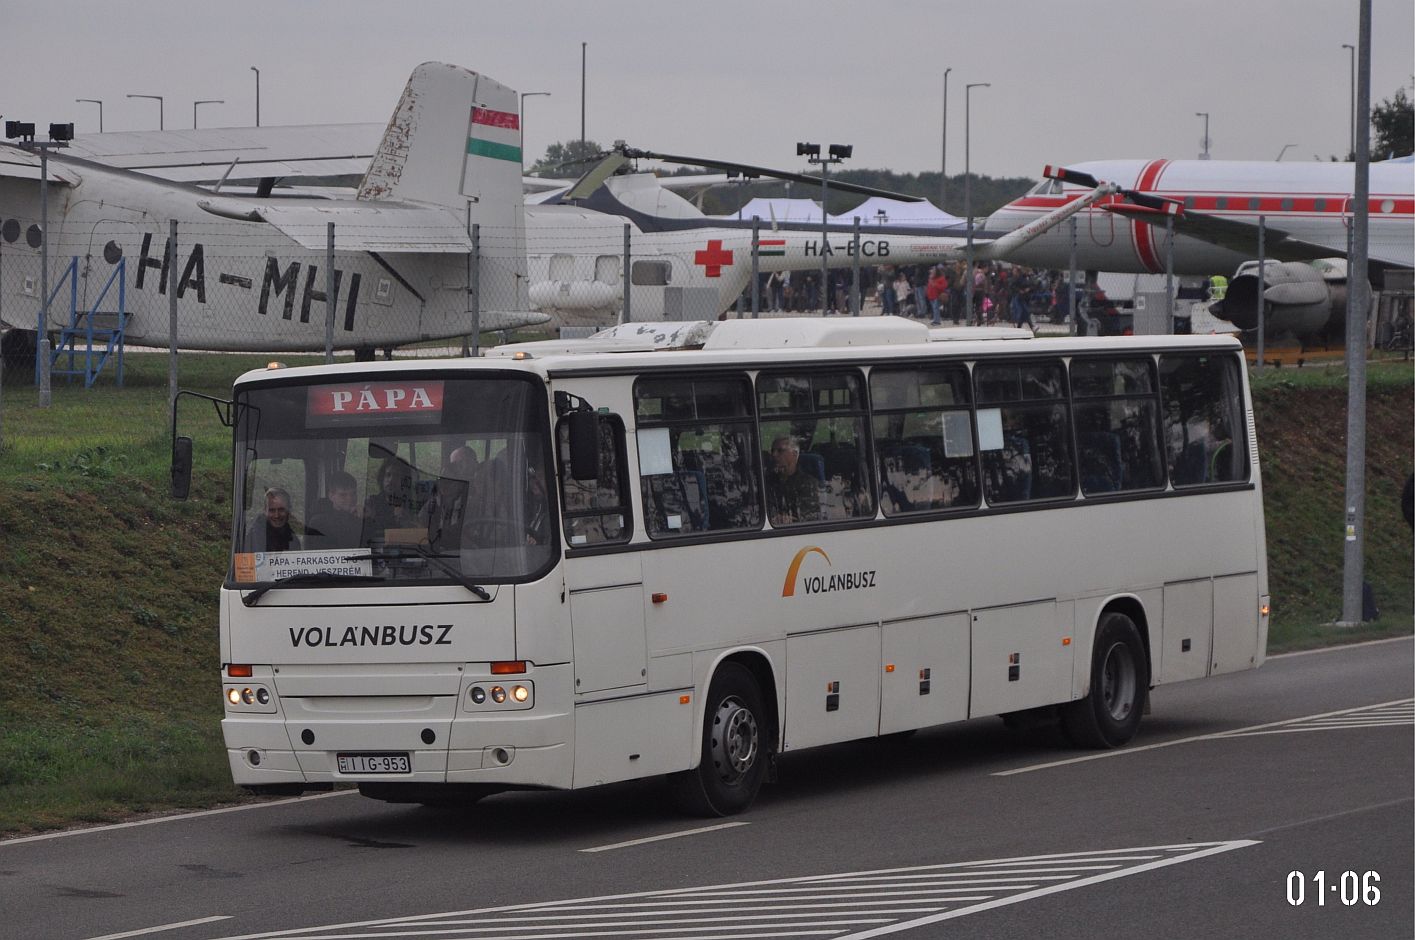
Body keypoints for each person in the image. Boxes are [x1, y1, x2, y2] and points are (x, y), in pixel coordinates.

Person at [419, 447, 480, 550]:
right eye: (455, 465)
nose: (462, 468)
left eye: (464, 462)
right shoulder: (436, 501)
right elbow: (421, 526)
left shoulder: (480, 497)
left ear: (476, 464)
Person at [765, 434, 821, 525]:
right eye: (773, 451)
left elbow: (810, 516)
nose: (774, 455)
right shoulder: (767, 481)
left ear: (794, 454)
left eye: (780, 451)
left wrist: (787, 519)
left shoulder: (808, 483)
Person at [306, 472, 362, 548]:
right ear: (331, 496)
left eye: (353, 494)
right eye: (343, 495)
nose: (350, 499)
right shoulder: (319, 522)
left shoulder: (360, 517)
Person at [363, 456, 416, 538]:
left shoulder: (412, 504)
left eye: (397, 476)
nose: (391, 480)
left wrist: (406, 521)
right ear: (382, 478)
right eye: (388, 475)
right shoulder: (372, 503)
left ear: (404, 480)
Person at [250, 486, 301, 552]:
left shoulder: (293, 540)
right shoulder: (254, 538)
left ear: (289, 509)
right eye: (272, 510)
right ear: (265, 511)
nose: (276, 515)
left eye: (281, 510)